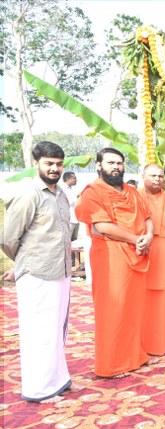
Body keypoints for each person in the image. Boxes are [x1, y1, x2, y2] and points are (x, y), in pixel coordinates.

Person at [0, 141, 74, 402]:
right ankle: (38, 389)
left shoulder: (61, 194)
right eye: (49, 164)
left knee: (57, 330)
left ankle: (57, 379)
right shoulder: (29, 194)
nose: (54, 168)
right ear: (36, 164)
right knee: (39, 333)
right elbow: (8, 238)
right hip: (37, 275)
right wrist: (26, 263)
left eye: (58, 164)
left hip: (61, 272)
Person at [75, 147, 153, 378]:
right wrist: (136, 240)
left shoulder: (132, 191)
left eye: (119, 163)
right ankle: (111, 365)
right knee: (113, 309)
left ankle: (133, 357)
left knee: (133, 308)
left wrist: (148, 237)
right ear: (98, 165)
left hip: (137, 253)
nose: (116, 167)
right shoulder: (92, 192)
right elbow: (101, 227)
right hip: (111, 256)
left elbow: (148, 217)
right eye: (110, 163)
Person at [138, 164, 165, 356]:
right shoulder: (135, 198)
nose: (157, 179)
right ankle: (148, 344)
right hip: (148, 254)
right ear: (143, 176)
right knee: (148, 300)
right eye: (152, 175)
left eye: (160, 176)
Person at [62, 171, 80, 242]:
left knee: (74, 242)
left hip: (75, 218)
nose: (76, 180)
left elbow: (72, 201)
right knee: (67, 242)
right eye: (74, 178)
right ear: (68, 179)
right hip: (69, 220)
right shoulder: (62, 190)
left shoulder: (70, 189)